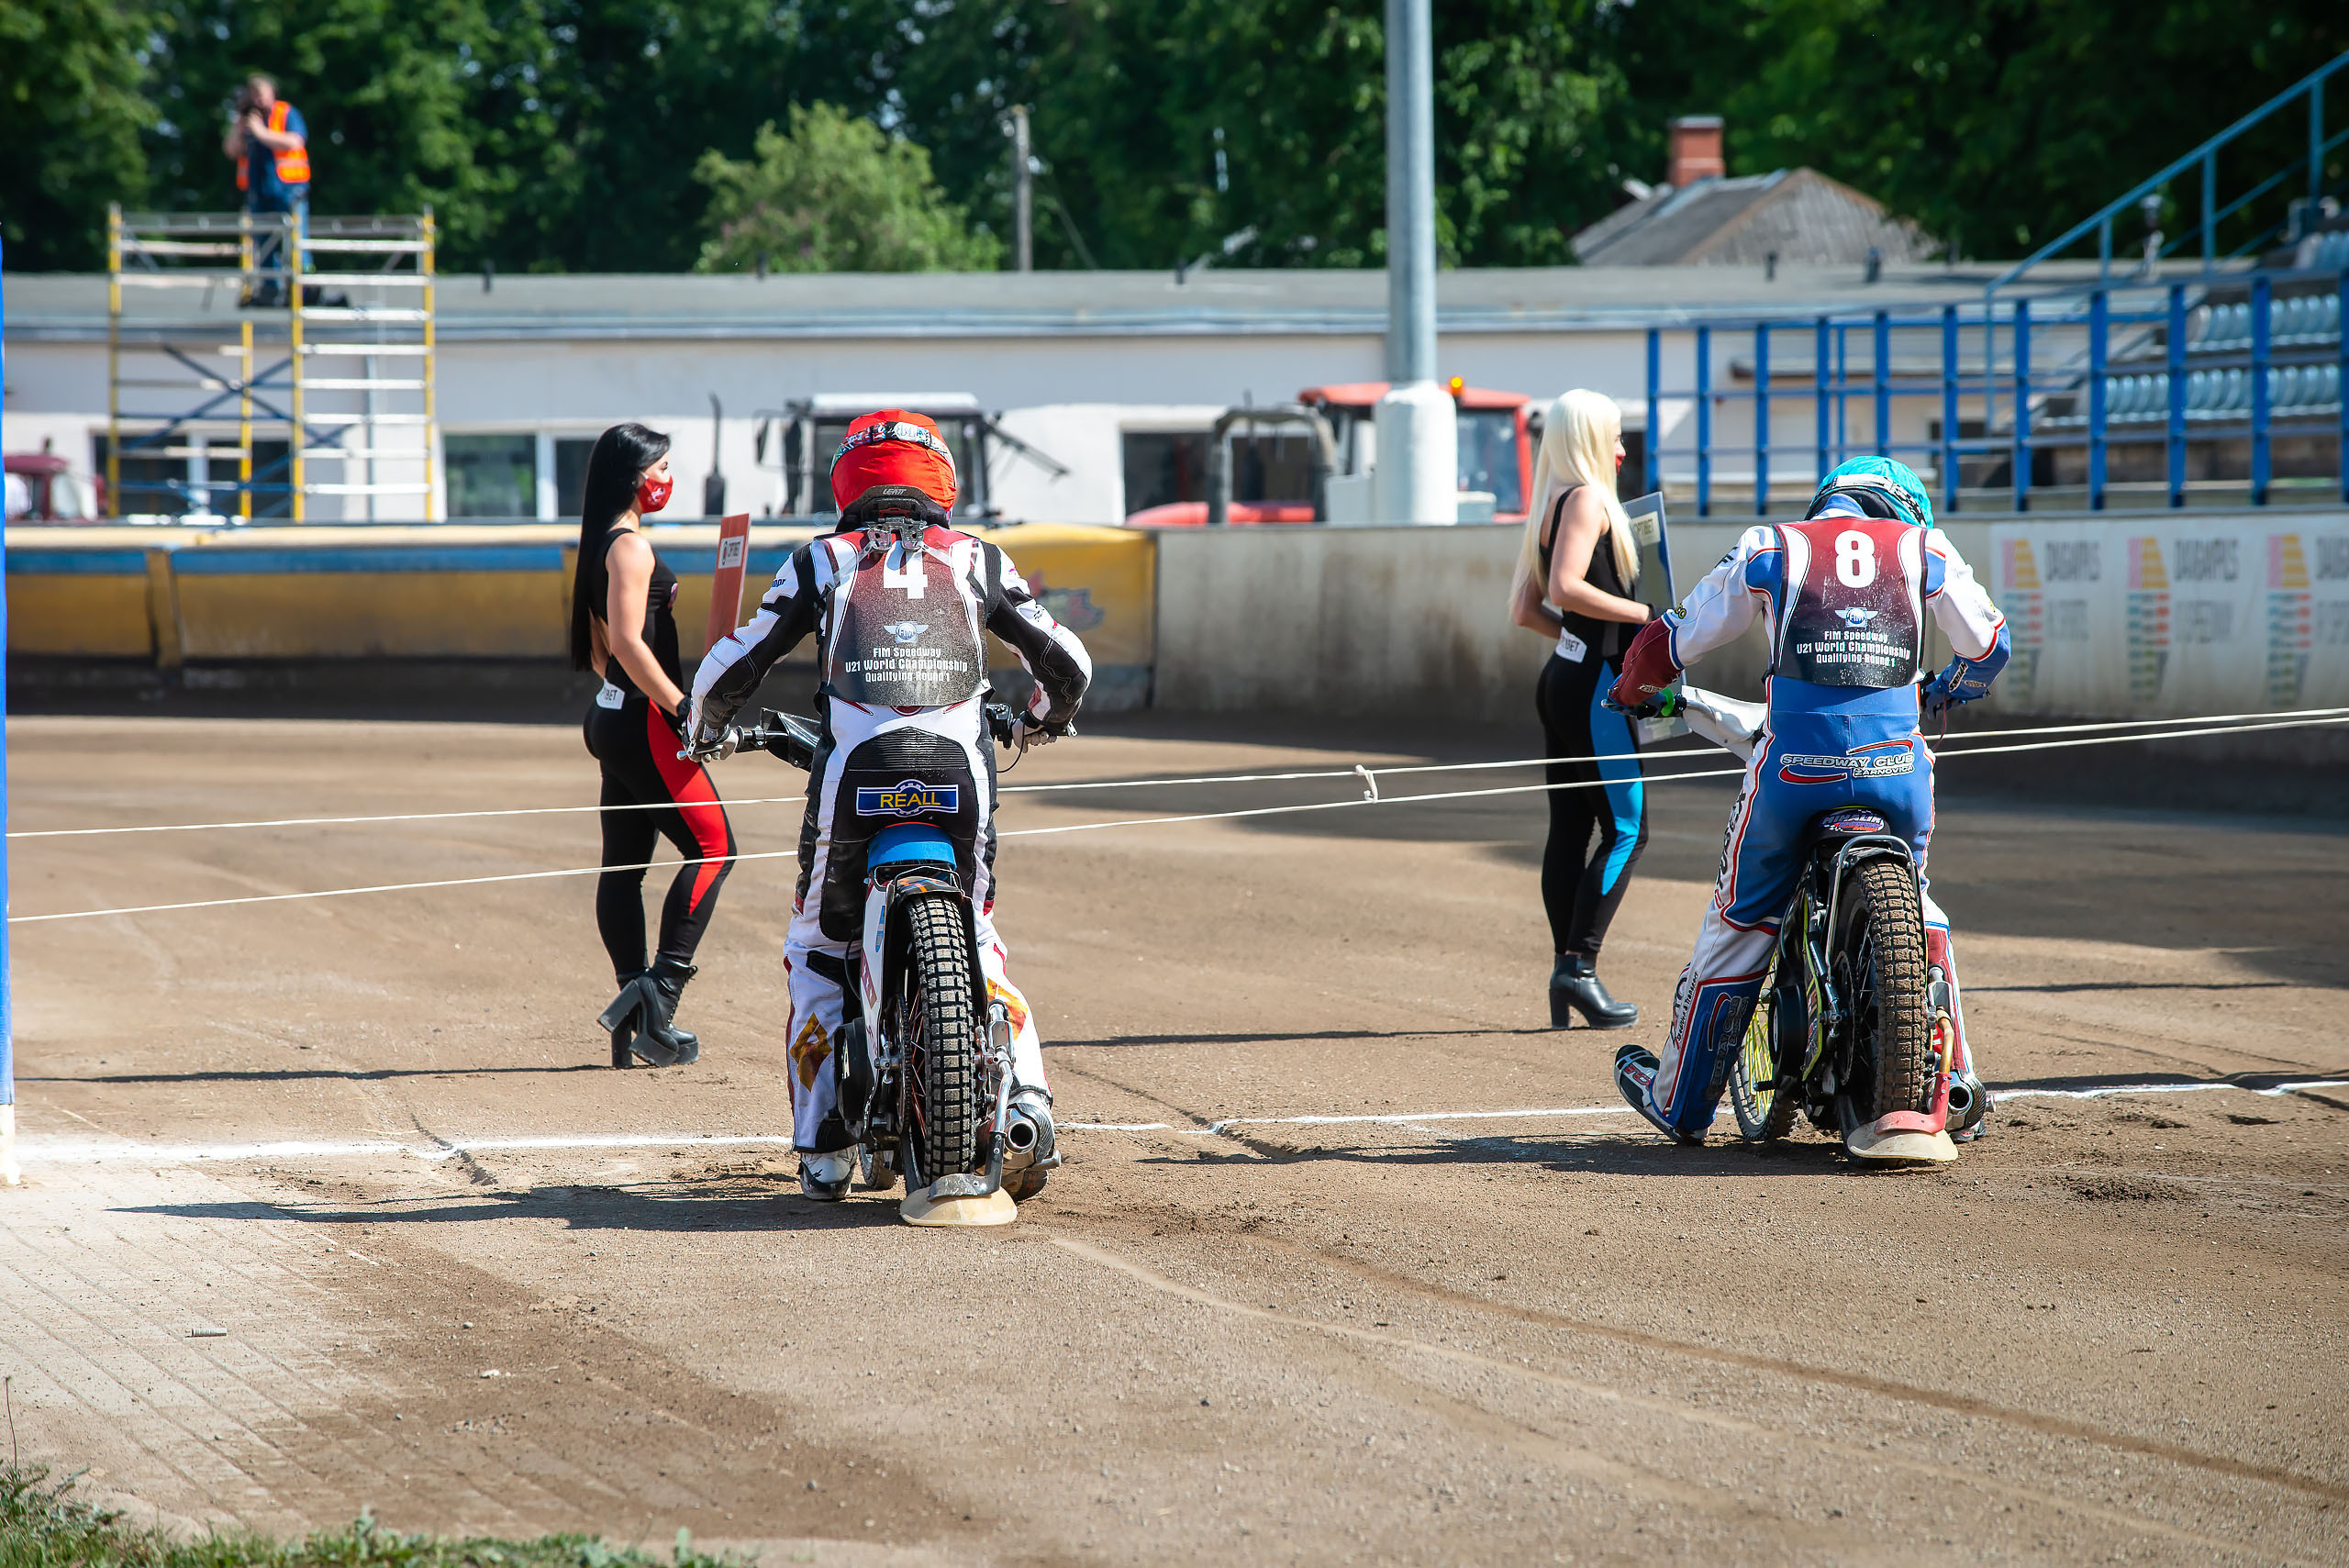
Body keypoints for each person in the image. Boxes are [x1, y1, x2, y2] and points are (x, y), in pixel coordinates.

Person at [685, 409, 1092, 1201]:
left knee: (814, 949)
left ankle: (824, 1149)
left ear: (848, 483)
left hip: (855, 779)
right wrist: (1045, 719)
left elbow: (730, 668)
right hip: (961, 778)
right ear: (942, 482)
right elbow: (1067, 663)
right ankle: (1029, 1101)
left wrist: (704, 731)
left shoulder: (819, 560)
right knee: (978, 929)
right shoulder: (978, 557)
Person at [1606, 456, 2009, 1144]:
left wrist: (1632, 685)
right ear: (1902, 510)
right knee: (1922, 907)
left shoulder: (1772, 545)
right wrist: (1948, 688)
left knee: (1738, 920)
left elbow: (1675, 639)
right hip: (1898, 772)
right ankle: (1958, 1087)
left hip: (1795, 770)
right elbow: (1991, 646)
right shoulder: (1926, 548)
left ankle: (1680, 1101)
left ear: (1831, 500)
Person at [570, 423, 737, 1068]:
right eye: (661, 467)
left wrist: (626, 697)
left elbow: (599, 649)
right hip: (641, 722)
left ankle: (634, 1018)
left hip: (611, 716)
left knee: (624, 870)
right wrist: (682, 707)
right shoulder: (631, 549)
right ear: (635, 475)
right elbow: (630, 644)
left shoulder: (599, 544)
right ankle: (659, 993)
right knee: (715, 848)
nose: (669, 478)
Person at [1508, 390, 1654, 1029]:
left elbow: (1525, 608)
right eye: (1615, 437)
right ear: (1591, 440)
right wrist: (1645, 618)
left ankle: (1566, 969)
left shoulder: (1553, 504)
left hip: (1565, 677)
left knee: (1570, 826)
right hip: (1595, 686)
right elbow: (1566, 588)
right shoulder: (1590, 501)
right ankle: (1578, 967)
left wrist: (1574, 640)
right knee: (1628, 829)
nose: (1623, 450)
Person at [221, 74, 310, 306]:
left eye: (261, 95)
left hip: (288, 190)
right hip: (259, 191)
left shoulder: (285, 113)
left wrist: (260, 132)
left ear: (272, 93)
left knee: (296, 239)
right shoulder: (247, 121)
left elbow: (295, 142)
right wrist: (238, 123)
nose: (257, 101)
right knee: (263, 241)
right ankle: (270, 288)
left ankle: (304, 286)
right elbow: (231, 150)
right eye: (253, 96)